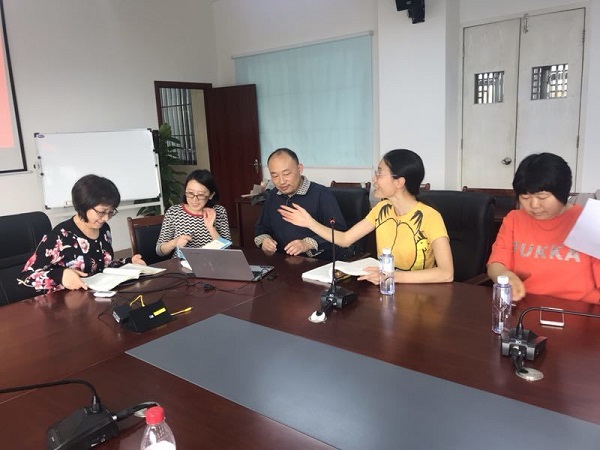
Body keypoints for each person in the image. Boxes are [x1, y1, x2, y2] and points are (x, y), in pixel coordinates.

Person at [279, 149, 454, 284]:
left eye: (379, 173)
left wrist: (391, 276)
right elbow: (345, 239)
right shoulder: (382, 209)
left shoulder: (430, 217)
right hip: (386, 289)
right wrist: (310, 222)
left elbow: (446, 273)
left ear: (399, 182)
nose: (374, 179)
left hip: (420, 296)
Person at [487, 152, 600, 302]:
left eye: (542, 197)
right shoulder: (514, 219)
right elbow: (496, 264)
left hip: (578, 310)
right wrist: (505, 276)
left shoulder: (588, 221)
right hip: (526, 306)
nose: (534, 205)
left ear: (562, 193)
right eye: (525, 197)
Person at [18, 174, 145, 293]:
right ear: (83, 206)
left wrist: (130, 262)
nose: (106, 218)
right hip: (64, 302)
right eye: (101, 212)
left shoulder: (104, 229)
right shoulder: (59, 237)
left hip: (96, 296)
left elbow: (103, 265)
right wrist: (60, 276)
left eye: (111, 212)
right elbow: (25, 277)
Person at [254, 148, 348, 260]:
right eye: (275, 176)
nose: (281, 181)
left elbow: (338, 232)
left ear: (299, 169)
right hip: (282, 261)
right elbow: (261, 227)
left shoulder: (322, 194)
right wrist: (265, 240)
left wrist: (308, 244)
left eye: (286, 174)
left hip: (318, 262)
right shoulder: (273, 196)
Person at [156, 169, 231, 257]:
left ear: (211, 195)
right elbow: (160, 251)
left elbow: (227, 251)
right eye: (190, 193)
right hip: (182, 263)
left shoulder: (219, 211)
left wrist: (211, 228)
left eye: (201, 194)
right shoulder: (174, 212)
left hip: (211, 262)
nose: (194, 199)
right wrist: (174, 242)